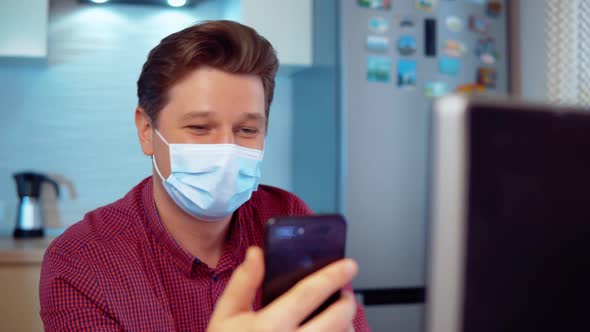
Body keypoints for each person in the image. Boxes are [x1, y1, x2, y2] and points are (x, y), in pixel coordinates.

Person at [40, 20, 370, 331]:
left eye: (247, 129)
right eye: (199, 128)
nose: (226, 148)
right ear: (146, 130)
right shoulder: (83, 259)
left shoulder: (288, 217)